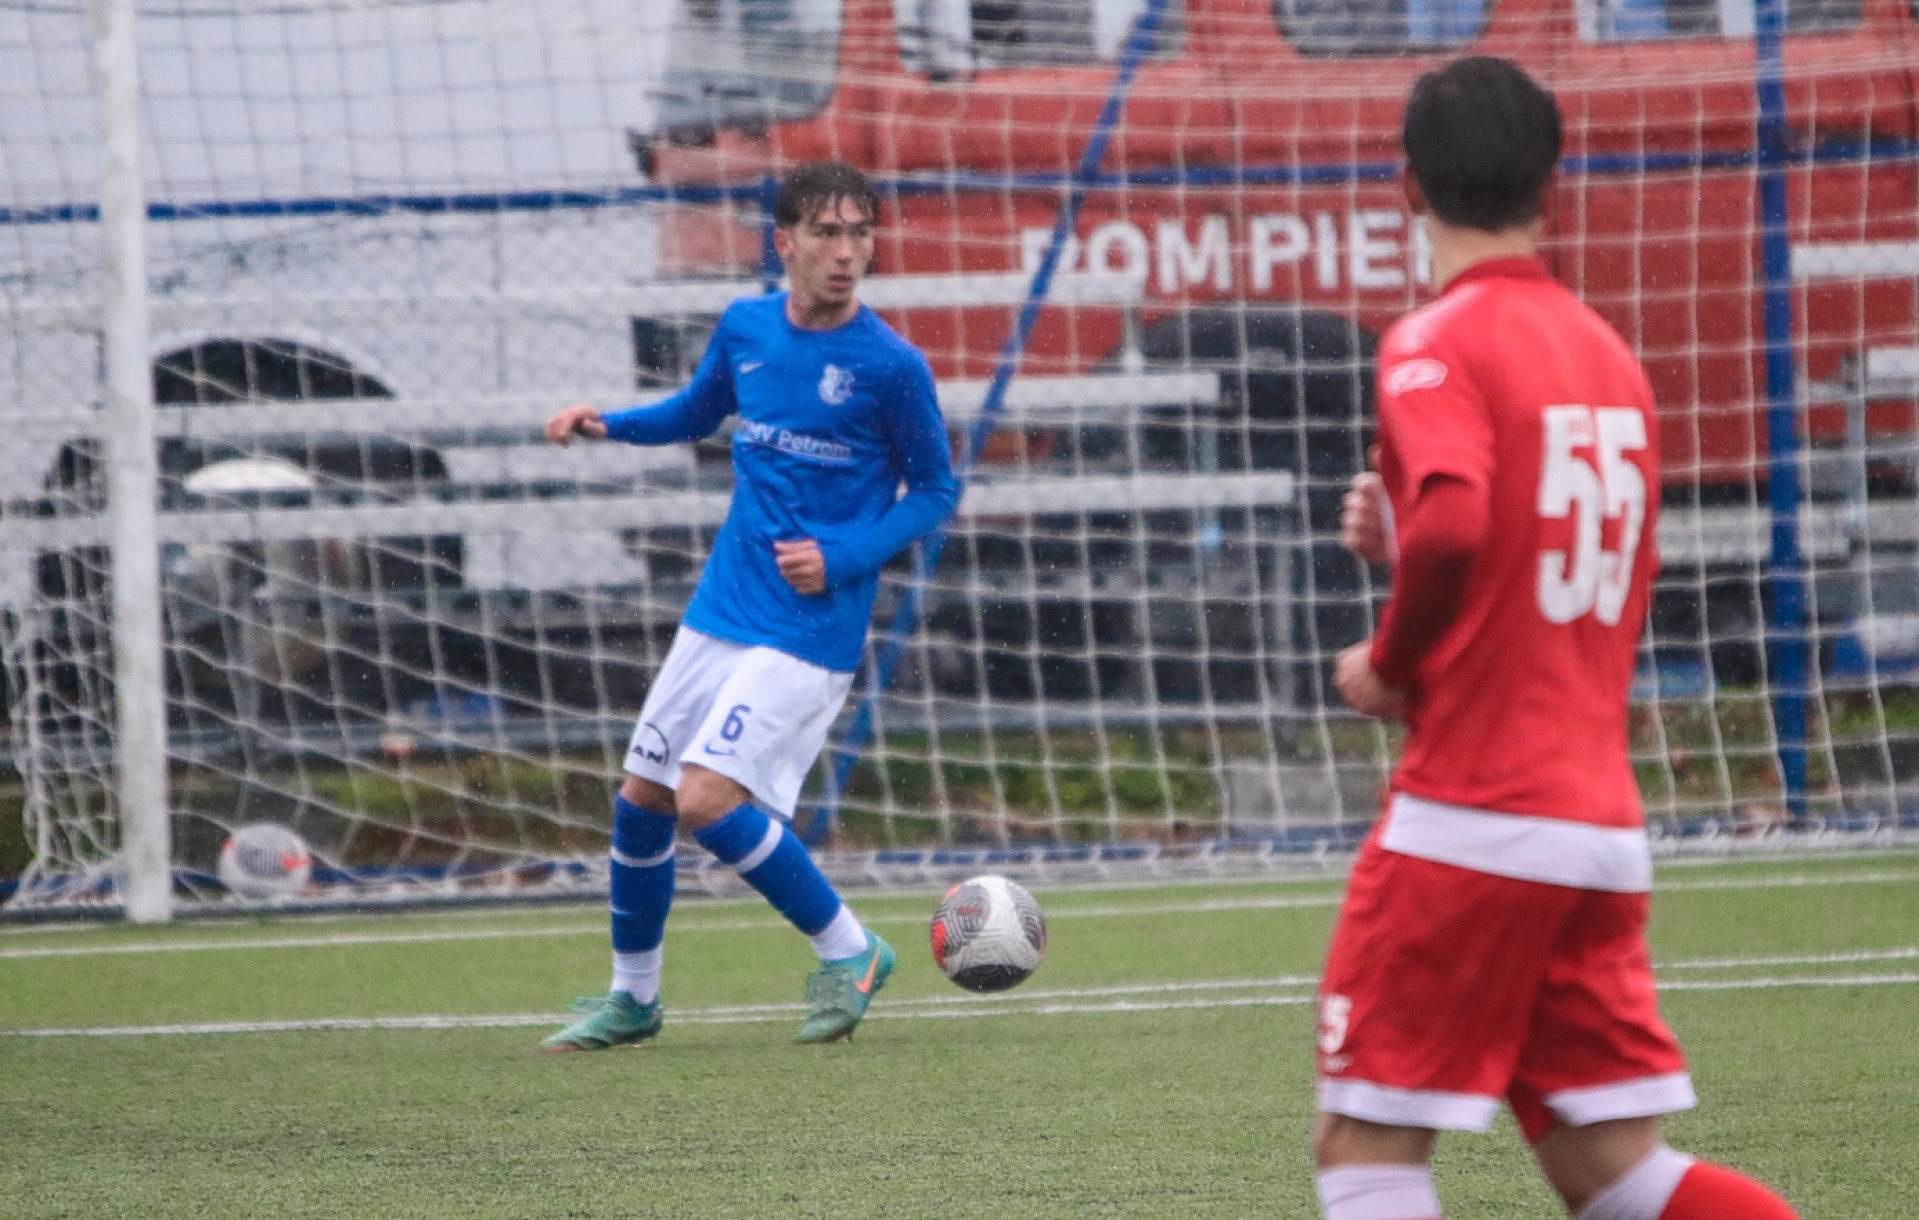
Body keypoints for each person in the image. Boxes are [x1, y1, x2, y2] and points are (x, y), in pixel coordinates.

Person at [1315, 58, 1799, 1220]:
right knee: (1615, 1172)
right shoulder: (1606, 356)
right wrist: (1408, 533)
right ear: (1551, 182)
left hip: (1475, 811)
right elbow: (1553, 554)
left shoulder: (1432, 340)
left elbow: (1457, 527)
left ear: (1405, 186)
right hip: (1593, 820)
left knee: (1365, 1152)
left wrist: (1388, 661)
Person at [538, 160, 959, 1050]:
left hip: (809, 628)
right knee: (642, 799)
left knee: (703, 799)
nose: (845, 253)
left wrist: (843, 557)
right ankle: (633, 998)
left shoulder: (891, 366)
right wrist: (609, 423)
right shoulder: (745, 327)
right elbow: (695, 414)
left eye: (859, 234)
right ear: (785, 242)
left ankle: (851, 949)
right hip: (723, 607)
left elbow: (934, 490)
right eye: (826, 233)